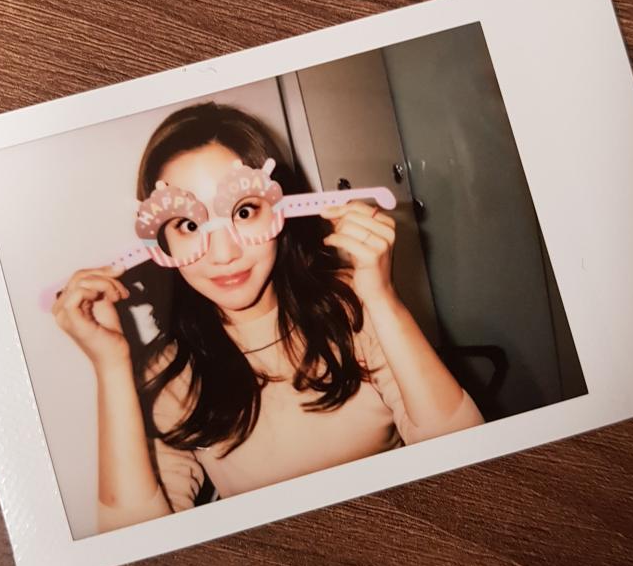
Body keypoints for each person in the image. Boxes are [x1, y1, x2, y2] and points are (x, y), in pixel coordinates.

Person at [52, 102, 484, 534]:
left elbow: (470, 466)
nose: (224, 254)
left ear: (280, 208)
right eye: (188, 225)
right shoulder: (171, 376)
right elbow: (138, 547)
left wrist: (382, 299)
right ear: (160, 240)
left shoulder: (354, 306)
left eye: (243, 212)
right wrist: (110, 366)